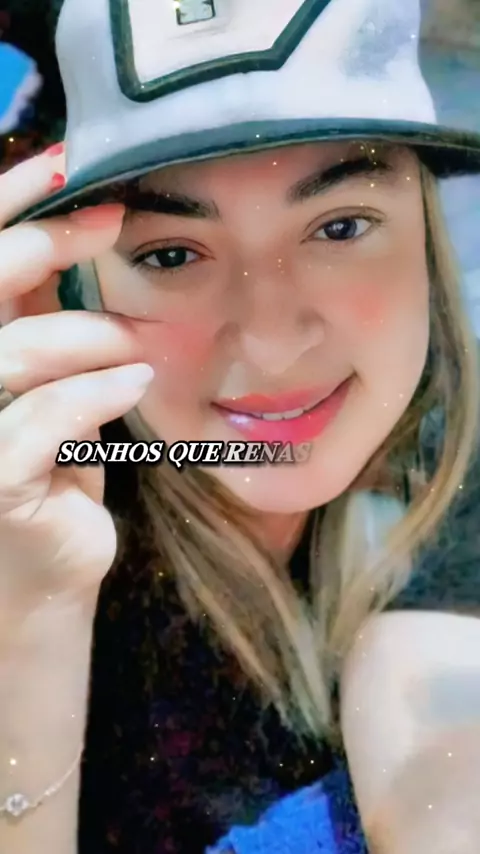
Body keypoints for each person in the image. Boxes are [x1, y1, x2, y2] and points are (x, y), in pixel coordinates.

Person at [0, 0, 480, 852]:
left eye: (339, 227)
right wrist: (33, 622)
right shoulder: (48, 533)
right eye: (172, 254)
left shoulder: (451, 456)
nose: (269, 342)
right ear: (67, 282)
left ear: (427, 240)